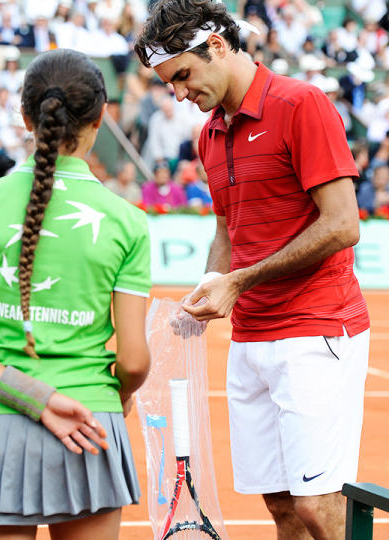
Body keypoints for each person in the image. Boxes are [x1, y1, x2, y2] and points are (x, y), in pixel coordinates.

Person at [135, 1, 370, 538]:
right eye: (169, 83)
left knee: (317, 504)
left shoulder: (302, 103)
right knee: (283, 507)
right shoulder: (209, 134)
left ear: (217, 46)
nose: (178, 93)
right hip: (251, 339)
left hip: (317, 330)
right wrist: (206, 289)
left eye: (183, 76)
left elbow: (342, 225)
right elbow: (227, 230)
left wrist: (238, 281)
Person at [0, 49, 150, 539]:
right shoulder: (128, 221)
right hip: (92, 423)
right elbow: (133, 360)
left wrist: (33, 396)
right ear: (100, 118)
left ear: (25, 117)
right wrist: (122, 395)